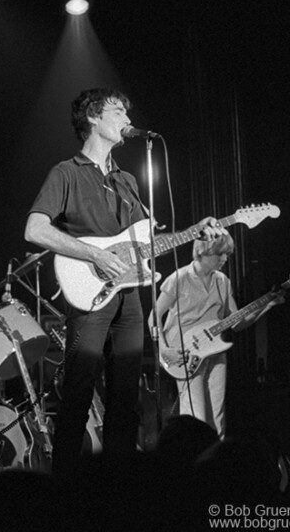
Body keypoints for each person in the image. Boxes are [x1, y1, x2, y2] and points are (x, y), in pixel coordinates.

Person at [24, 87, 223, 475]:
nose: (127, 119)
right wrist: (95, 254)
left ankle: (117, 488)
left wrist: (195, 230)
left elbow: (145, 243)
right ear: (94, 118)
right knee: (79, 392)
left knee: (125, 397)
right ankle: (62, 486)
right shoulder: (66, 172)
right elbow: (34, 229)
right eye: (118, 111)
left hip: (129, 297)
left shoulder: (128, 181)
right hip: (89, 295)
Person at [151, 234, 282, 439]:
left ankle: (214, 466)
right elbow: (154, 315)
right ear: (205, 251)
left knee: (217, 417)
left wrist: (267, 304)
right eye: (221, 253)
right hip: (184, 354)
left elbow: (237, 323)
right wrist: (164, 349)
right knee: (196, 417)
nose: (225, 258)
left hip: (215, 352)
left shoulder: (222, 280)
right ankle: (190, 465)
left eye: (227, 254)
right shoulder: (179, 278)